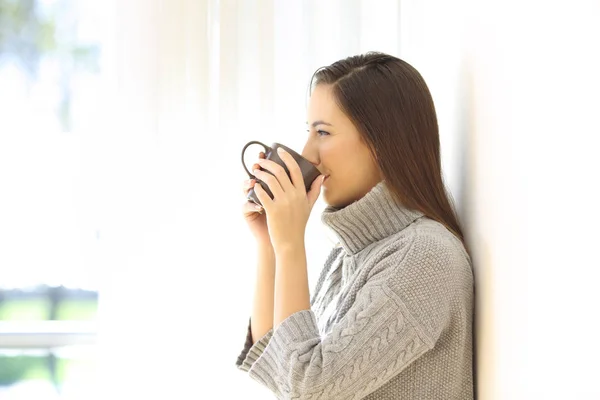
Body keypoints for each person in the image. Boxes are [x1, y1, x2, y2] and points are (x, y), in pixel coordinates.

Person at [235, 51, 475, 400]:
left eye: (323, 132)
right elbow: (279, 366)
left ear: (382, 142)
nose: (308, 153)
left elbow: (308, 387)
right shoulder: (352, 254)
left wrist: (291, 247)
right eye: (309, 131)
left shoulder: (425, 256)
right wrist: (270, 245)